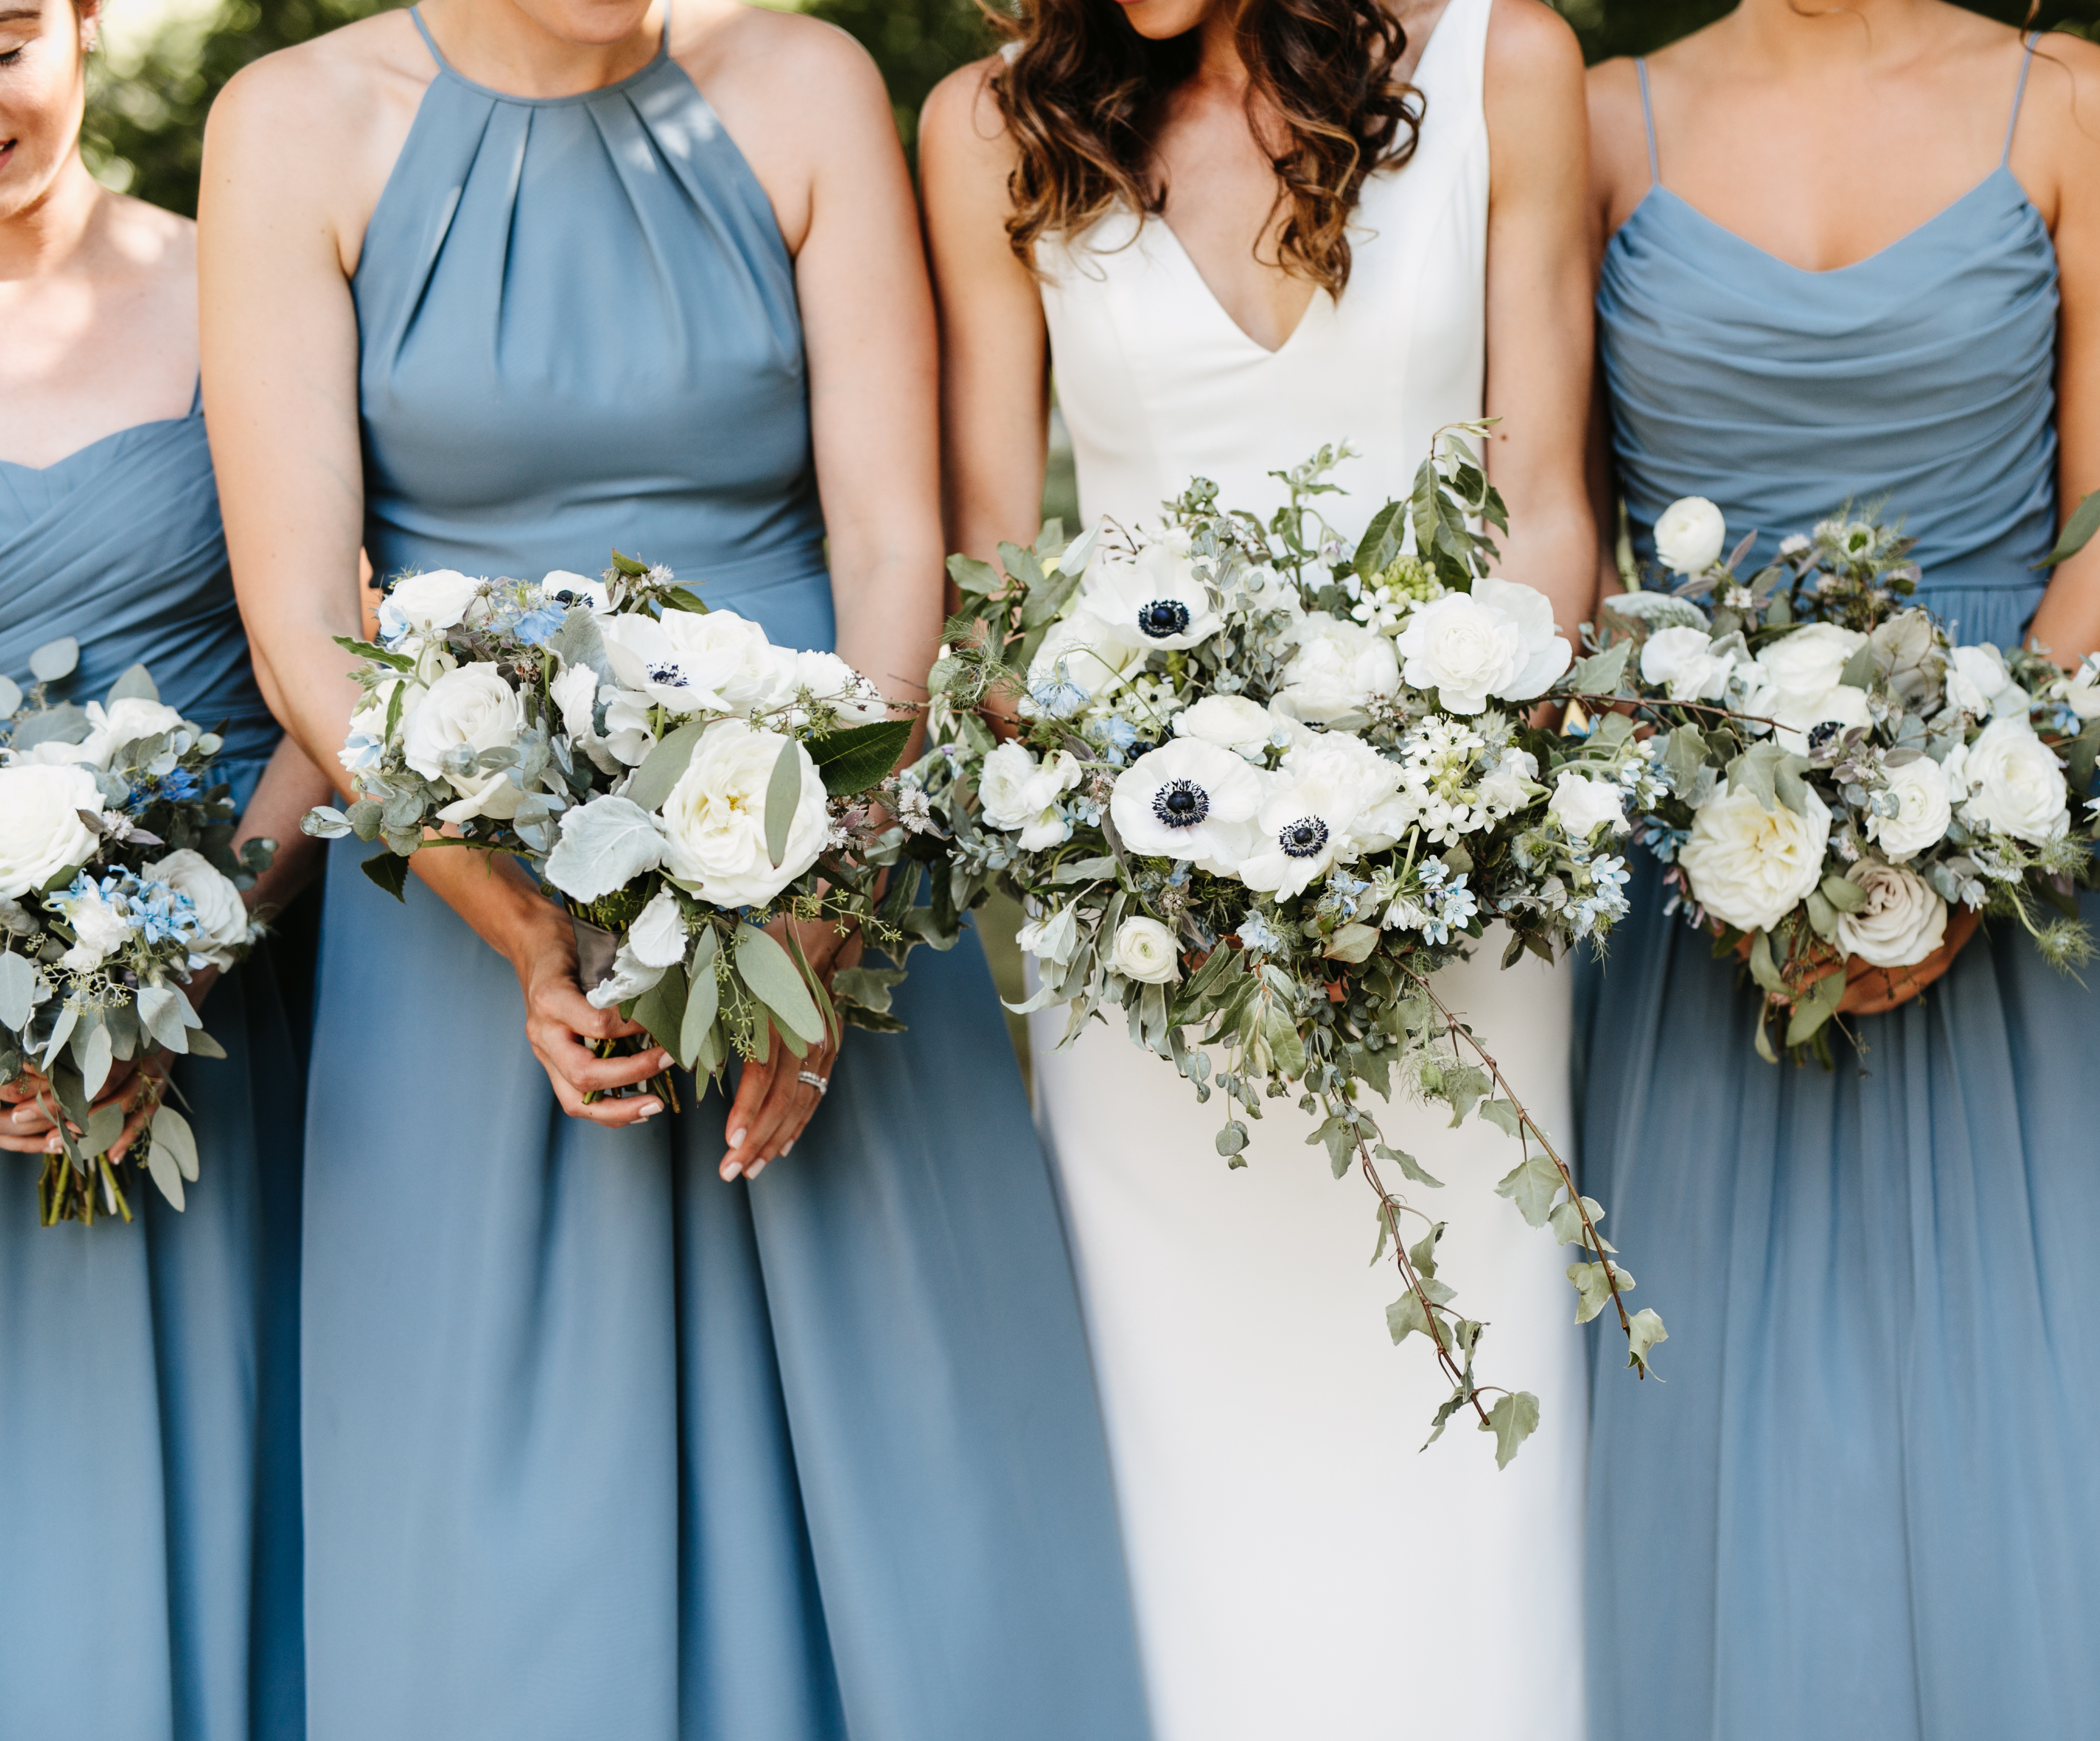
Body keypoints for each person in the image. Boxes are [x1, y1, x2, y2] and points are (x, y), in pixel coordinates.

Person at [200, 1, 1149, 1733]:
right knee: (511, 1540)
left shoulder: (805, 84)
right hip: (460, 905)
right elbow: (298, 628)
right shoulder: (293, 124)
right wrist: (520, 924)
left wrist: (819, 898)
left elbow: (885, 537)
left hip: (817, 849)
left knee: (910, 1482)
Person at [920, 3, 1596, 1736]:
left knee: (1474, 1402)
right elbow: (991, 565)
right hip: (1149, 919)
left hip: (1453, 884)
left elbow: (1546, 502)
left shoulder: (1506, 61)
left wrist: (1452, 790)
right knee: (1193, 1431)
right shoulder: (994, 125)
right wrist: (1147, 825)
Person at [1575, 5, 2100, 1736]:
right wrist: (1731, 831)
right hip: (1700, 863)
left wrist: (1974, 832)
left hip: (2022, 834)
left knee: (2060, 1427)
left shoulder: (2069, 100)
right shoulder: (1595, 119)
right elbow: (1563, 543)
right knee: (1724, 1433)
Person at [0, 1, 327, 1734]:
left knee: (239, 1497)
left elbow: (340, 664)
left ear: (81, 27)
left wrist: (185, 941)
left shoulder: (243, 280)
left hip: (221, 1009)